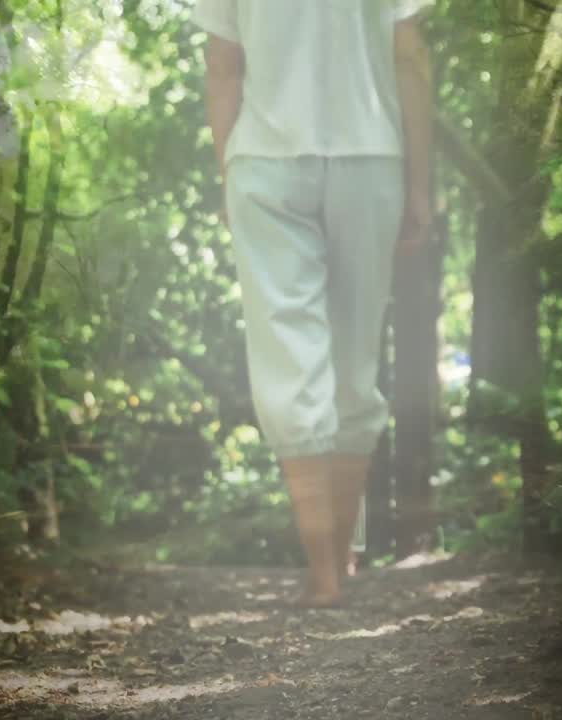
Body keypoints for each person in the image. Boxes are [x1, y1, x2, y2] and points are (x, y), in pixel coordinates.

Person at [194, 0, 435, 608]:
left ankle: (324, 573)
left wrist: (228, 173)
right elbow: (409, 57)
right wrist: (421, 185)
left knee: (289, 359)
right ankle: (342, 562)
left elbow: (223, 67)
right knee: (354, 365)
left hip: (264, 164)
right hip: (370, 157)